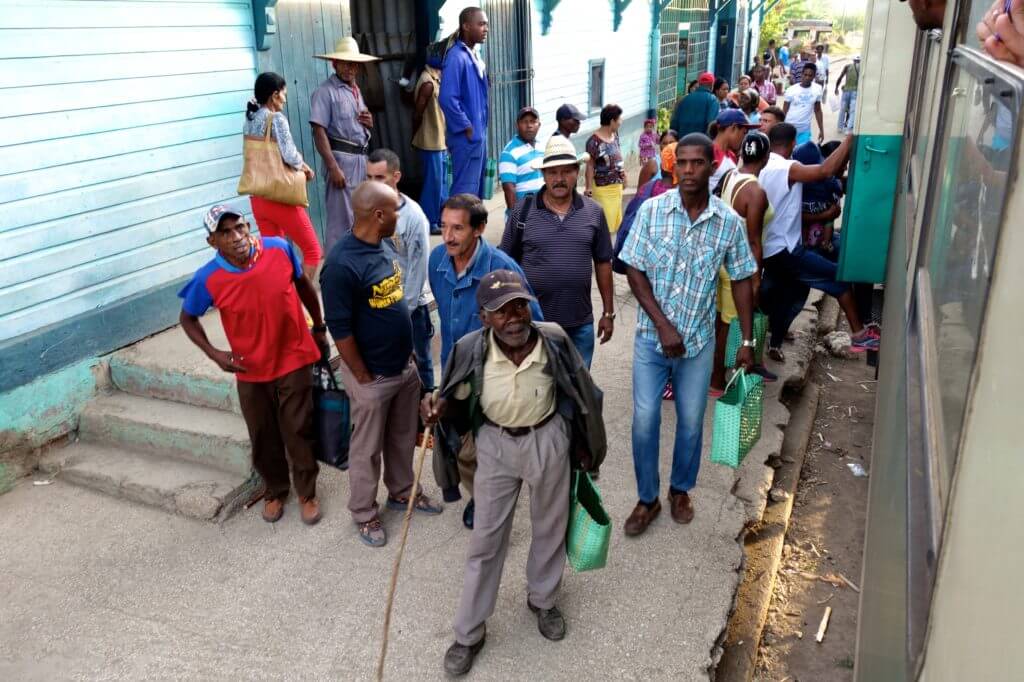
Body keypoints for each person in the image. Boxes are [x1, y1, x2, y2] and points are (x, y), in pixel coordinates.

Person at [423, 269, 606, 677]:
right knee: (486, 539)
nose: (513, 317)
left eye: (519, 305)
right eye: (500, 311)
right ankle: (469, 632)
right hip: (496, 445)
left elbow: (582, 391)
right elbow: (451, 399)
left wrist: (583, 445)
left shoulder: (553, 339)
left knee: (550, 526)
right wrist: (436, 408)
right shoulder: (471, 349)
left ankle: (542, 599)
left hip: (547, 439)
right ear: (484, 317)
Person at [618, 134, 758, 536]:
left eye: (698, 163)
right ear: (674, 166)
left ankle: (681, 490)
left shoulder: (728, 223)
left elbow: (745, 277)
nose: (689, 170)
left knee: (692, 421)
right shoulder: (651, 211)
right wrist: (662, 325)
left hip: (697, 343)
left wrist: (746, 342)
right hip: (651, 339)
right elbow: (634, 268)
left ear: (713, 168)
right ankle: (648, 499)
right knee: (645, 419)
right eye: (682, 163)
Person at [179, 206, 327, 525]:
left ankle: (307, 491)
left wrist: (319, 327)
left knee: (297, 427)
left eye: (241, 228)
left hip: (294, 354)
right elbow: (187, 318)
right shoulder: (209, 277)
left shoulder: (278, 248)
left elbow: (303, 286)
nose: (237, 237)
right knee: (261, 432)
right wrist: (215, 353)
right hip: (249, 367)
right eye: (226, 233)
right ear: (212, 241)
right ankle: (275, 489)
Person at [320, 181, 444, 547]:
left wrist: (407, 357)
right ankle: (364, 512)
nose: (398, 214)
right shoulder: (341, 265)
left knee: (403, 437)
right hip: (371, 376)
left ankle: (403, 491)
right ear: (378, 215)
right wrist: (362, 376)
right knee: (367, 449)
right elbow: (340, 330)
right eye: (394, 209)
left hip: (403, 367)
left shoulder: (383, 244)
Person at [428, 194, 543, 528]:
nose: (448, 236)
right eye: (445, 227)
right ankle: (481, 494)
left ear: (479, 229)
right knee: (461, 447)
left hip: (497, 378)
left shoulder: (502, 270)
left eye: (458, 229)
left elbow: (535, 323)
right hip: (456, 373)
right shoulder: (437, 261)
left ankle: (491, 503)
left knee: (492, 449)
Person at [758, 124, 879, 359]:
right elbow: (825, 170)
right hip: (786, 250)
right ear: (792, 144)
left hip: (771, 248)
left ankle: (772, 343)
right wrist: (851, 138)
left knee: (788, 294)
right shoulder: (786, 167)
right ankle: (859, 334)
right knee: (839, 278)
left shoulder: (765, 166)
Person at [501, 135, 616, 369]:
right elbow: (505, 265)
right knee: (538, 395)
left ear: (577, 172)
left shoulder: (593, 213)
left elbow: (603, 262)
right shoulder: (522, 213)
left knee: (577, 395)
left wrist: (608, 312)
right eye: (552, 172)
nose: (559, 179)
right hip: (534, 325)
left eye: (566, 172)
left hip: (579, 325)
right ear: (543, 175)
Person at [365, 149, 434, 394]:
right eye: (369, 178)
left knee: (420, 360)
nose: (373, 184)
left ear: (396, 177)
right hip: (377, 302)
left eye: (380, 178)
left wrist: (406, 308)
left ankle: (426, 416)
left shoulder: (414, 217)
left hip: (409, 307)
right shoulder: (367, 210)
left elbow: (418, 268)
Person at [709, 132, 774, 394]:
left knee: (722, 323)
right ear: (766, 158)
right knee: (729, 325)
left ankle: (717, 375)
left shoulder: (730, 177)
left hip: (724, 261)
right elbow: (754, 241)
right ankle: (716, 380)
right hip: (739, 268)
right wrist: (755, 280)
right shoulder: (755, 192)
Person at [242, 73, 321, 280]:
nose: (285, 99)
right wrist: (305, 168)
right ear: (275, 95)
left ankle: (282, 302)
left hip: (258, 198)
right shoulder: (275, 118)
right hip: (280, 196)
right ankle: (302, 301)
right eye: (284, 94)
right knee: (313, 251)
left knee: (277, 256)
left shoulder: (249, 120)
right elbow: (289, 155)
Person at [310, 38, 379, 253]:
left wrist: (370, 124)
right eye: (345, 63)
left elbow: (359, 125)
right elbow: (318, 130)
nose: (350, 68)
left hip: (361, 159)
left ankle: (355, 267)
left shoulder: (356, 91)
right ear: (334, 63)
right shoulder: (325, 92)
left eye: (354, 64)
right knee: (341, 222)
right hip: (341, 162)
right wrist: (332, 167)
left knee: (361, 215)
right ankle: (335, 271)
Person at [440, 7, 490, 197]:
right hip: (466, 137)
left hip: (477, 136)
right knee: (464, 192)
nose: (486, 28)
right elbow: (446, 98)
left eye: (486, 24)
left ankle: (472, 227)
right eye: (481, 24)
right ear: (466, 26)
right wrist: (465, 126)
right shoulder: (456, 57)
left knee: (475, 191)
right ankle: (457, 226)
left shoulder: (473, 55)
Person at [412, 49, 448, 235]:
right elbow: (417, 113)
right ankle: (430, 220)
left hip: (439, 139)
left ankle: (439, 218)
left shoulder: (435, 78)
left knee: (441, 183)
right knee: (432, 183)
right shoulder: (427, 82)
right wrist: (415, 135)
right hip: (430, 140)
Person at [585, 104, 627, 233]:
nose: (621, 122)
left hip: (617, 188)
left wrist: (624, 176)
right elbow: (590, 165)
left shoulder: (615, 136)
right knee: (604, 227)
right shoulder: (593, 141)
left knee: (615, 225)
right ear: (612, 121)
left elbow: (618, 157)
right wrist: (588, 187)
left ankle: (610, 251)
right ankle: (603, 252)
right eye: (619, 119)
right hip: (603, 190)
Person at [498, 106, 544, 212]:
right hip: (524, 216)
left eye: (533, 121)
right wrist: (516, 219)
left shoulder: (543, 147)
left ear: (539, 125)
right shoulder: (509, 153)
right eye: (524, 122)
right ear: (517, 125)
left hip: (543, 213)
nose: (529, 126)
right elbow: (509, 189)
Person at [709, 109, 759, 194]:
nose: (744, 138)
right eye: (744, 132)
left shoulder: (732, 155)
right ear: (734, 128)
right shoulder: (709, 152)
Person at [783, 63, 824, 145]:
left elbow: (818, 110)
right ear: (801, 74)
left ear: (814, 76)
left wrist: (821, 130)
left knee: (802, 154)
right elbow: (784, 110)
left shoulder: (817, 89)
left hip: (805, 130)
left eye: (810, 75)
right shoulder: (791, 90)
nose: (807, 78)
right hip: (789, 128)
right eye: (805, 75)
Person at [670, 72, 720, 137]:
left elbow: (674, 124)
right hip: (701, 142)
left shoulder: (683, 99)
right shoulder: (713, 100)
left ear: (699, 84)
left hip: (683, 141)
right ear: (712, 85)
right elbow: (711, 124)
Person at [834, 55, 861, 134]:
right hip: (855, 92)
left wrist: (836, 88)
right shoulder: (861, 68)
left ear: (853, 60)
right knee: (852, 111)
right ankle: (848, 129)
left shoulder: (847, 66)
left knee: (842, 110)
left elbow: (840, 77)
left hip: (846, 91)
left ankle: (839, 127)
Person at [637, 117, 660, 188]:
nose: (649, 128)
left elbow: (658, 142)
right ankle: (644, 182)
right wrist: (648, 145)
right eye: (647, 127)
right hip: (644, 156)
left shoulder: (654, 135)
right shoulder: (643, 136)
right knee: (645, 168)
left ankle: (651, 181)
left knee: (652, 167)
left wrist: (659, 137)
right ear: (644, 128)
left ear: (653, 127)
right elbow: (640, 145)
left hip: (652, 155)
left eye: (651, 127)